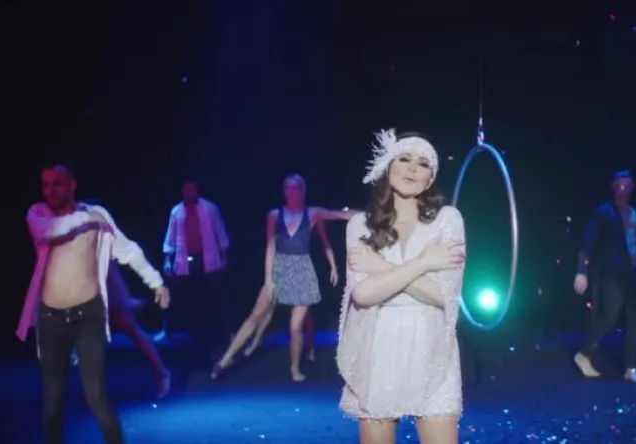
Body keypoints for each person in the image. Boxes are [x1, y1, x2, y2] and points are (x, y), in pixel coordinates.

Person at [17, 165, 169, 444]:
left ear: (72, 185)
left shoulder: (98, 216)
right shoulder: (38, 214)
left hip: (88, 316)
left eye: (57, 184)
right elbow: (49, 231)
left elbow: (127, 250)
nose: (51, 190)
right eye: (46, 184)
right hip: (51, 319)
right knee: (52, 399)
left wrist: (155, 282)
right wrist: (88, 219)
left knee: (96, 395)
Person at [338, 129, 466, 443]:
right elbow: (362, 294)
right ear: (388, 166)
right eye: (405, 159)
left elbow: (444, 296)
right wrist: (424, 263)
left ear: (430, 178)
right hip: (379, 348)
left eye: (423, 164)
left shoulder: (447, 220)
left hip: (433, 349)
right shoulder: (360, 225)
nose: (412, 168)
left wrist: (379, 268)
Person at [211, 174, 355, 381]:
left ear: (302, 191)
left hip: (303, 271)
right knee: (255, 316)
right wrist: (268, 280)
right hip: (279, 269)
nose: (291, 192)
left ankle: (295, 368)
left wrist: (370, 214)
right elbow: (270, 248)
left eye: (295, 188)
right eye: (287, 188)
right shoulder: (274, 215)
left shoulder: (312, 213)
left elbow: (339, 215)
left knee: (296, 326)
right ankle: (223, 361)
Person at [572, 169, 636, 383]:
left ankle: (630, 367)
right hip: (612, 272)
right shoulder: (604, 211)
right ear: (614, 187)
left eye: (627, 185)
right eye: (619, 185)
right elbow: (588, 241)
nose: (623, 189)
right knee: (608, 316)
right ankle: (584, 353)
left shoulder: (635, 213)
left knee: (635, 320)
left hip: (634, 272)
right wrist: (581, 272)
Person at [162, 180, 231, 345]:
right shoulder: (176, 211)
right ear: (183, 192)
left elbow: (220, 230)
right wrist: (167, 259)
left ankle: (226, 332)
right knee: (173, 295)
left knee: (216, 297)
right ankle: (167, 330)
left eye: (193, 189)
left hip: (207, 258)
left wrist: (224, 256)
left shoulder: (210, 208)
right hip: (184, 259)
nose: (190, 192)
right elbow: (171, 236)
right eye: (187, 190)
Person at [105, 260, 171, 399]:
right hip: (96, 298)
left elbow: (112, 274)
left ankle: (162, 374)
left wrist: (124, 299)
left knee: (134, 332)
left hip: (111, 299)